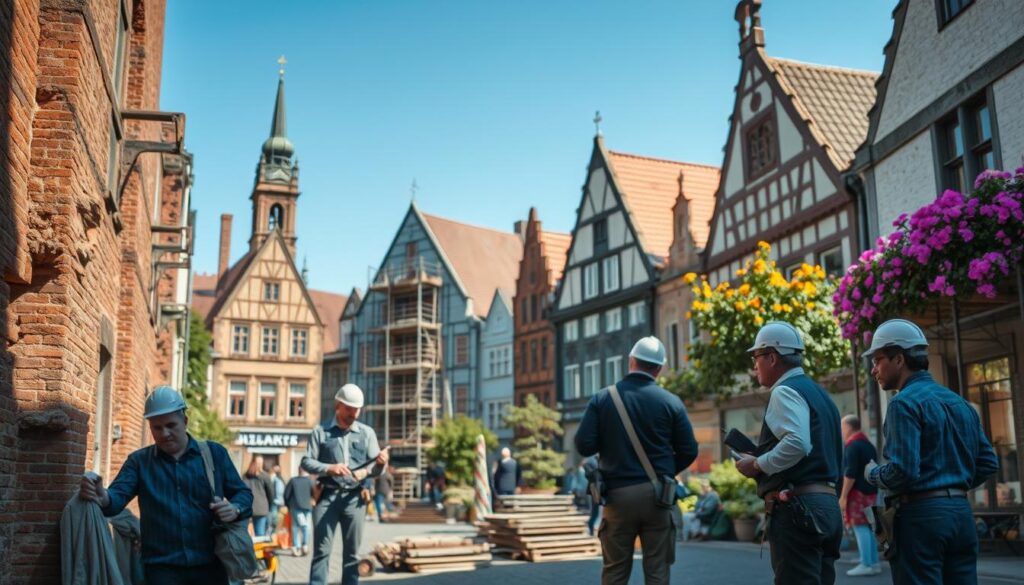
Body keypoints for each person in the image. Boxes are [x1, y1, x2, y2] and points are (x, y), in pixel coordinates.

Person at [862, 319, 998, 585]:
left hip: (920, 517)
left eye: (877, 360)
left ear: (899, 359)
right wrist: (952, 486)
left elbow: (903, 471)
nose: (873, 370)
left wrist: (872, 474)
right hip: (961, 513)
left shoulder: (903, 403)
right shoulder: (959, 402)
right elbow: (988, 463)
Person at [79, 386, 253, 585]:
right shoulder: (139, 462)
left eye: (171, 425)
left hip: (211, 566)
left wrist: (235, 508)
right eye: (157, 427)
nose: (165, 433)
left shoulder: (215, 454)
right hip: (161, 571)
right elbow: (116, 498)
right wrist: (103, 496)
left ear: (185, 421)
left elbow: (243, 493)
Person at [576, 336, 699, 585]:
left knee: (615, 572)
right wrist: (663, 470)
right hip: (658, 496)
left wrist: (611, 446)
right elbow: (689, 450)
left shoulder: (602, 399)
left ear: (631, 361)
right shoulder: (671, 402)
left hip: (618, 496)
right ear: (659, 368)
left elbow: (583, 444)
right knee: (657, 572)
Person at [735, 321, 844, 585]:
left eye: (756, 357)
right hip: (827, 505)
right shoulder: (821, 394)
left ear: (772, 357)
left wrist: (758, 464)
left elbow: (798, 443)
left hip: (798, 506)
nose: (754, 365)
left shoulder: (784, 391)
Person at [302, 384, 389, 585]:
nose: (354, 413)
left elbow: (377, 470)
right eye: (350, 409)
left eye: (357, 409)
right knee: (321, 552)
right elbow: (306, 462)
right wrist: (329, 468)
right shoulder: (320, 431)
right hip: (326, 497)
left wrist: (377, 465)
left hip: (355, 499)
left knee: (352, 554)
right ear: (339, 406)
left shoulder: (367, 433)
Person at [839, 414, 880, 576]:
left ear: (849, 427)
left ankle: (866, 563)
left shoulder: (853, 445)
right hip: (871, 491)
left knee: (860, 526)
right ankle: (872, 561)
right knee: (869, 527)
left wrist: (843, 496)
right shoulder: (867, 444)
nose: (841, 431)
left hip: (857, 493)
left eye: (842, 428)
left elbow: (850, 474)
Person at [284, 467, 315, 556]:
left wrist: (287, 505)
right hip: (308, 507)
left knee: (296, 527)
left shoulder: (293, 481)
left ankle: (296, 547)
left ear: (298, 470)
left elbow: (286, 494)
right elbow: (314, 494)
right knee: (306, 527)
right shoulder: (310, 481)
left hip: (295, 507)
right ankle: (305, 545)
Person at [243, 455, 275, 537]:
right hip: (261, 508)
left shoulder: (245, 476)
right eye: (259, 462)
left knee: (244, 533)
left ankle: (247, 549)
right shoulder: (265, 476)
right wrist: (269, 506)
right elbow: (271, 494)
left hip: (247, 508)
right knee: (260, 534)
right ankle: (258, 549)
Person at [583, 455, 602, 536]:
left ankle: (592, 529)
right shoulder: (591, 461)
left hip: (597, 487)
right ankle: (592, 529)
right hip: (595, 488)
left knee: (596, 511)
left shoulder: (592, 460)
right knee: (596, 511)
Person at [269, 464, 286, 533]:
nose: (276, 471)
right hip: (275, 502)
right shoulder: (273, 478)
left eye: (277, 469)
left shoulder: (280, 479)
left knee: (276, 520)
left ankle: (274, 534)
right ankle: (272, 534)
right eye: (275, 469)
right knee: (274, 519)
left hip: (278, 502)